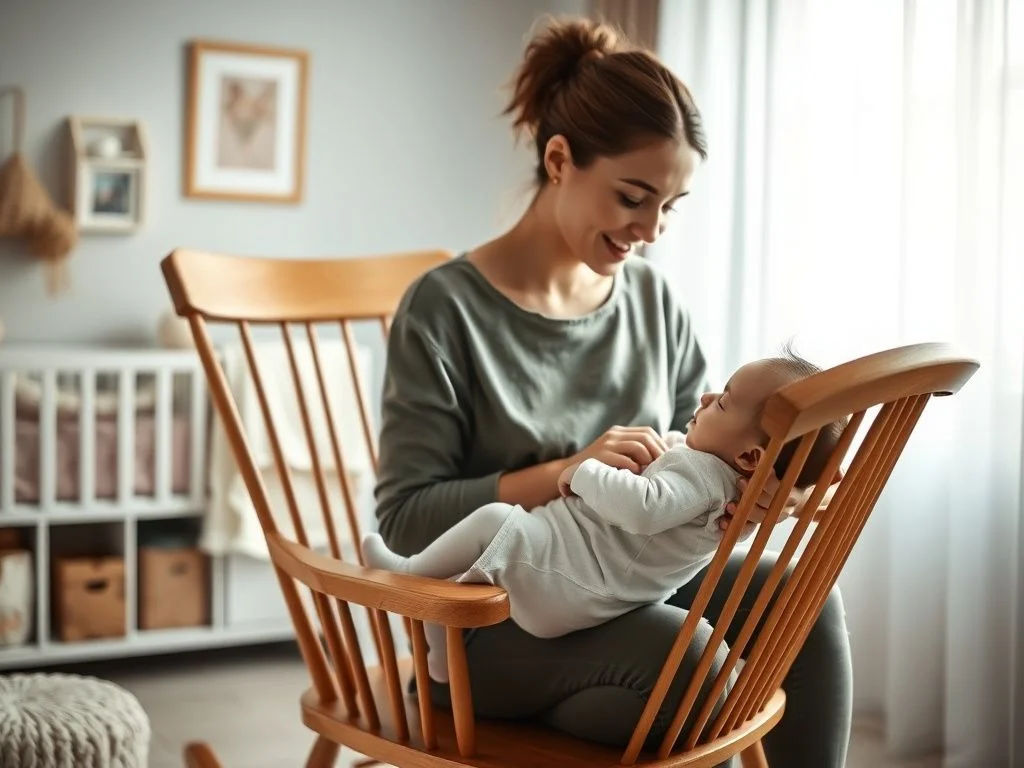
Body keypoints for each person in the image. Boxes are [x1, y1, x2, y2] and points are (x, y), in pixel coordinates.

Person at [373, 15, 852, 767]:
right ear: (559, 160)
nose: (652, 230)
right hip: (496, 620)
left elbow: (706, 462)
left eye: (670, 206)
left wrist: (758, 497)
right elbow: (405, 524)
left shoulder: (653, 304)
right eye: (634, 197)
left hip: (624, 592)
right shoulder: (445, 310)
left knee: (798, 600)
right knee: (691, 671)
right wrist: (567, 471)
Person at [365, 352, 844, 685]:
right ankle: (433, 629)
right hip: (530, 604)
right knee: (691, 660)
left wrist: (792, 494)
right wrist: (569, 465)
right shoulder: (712, 476)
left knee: (800, 589)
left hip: (573, 579)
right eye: (719, 394)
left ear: (752, 459)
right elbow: (407, 513)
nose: (705, 397)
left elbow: (650, 502)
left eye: (721, 400)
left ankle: (408, 577)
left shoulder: (703, 475)